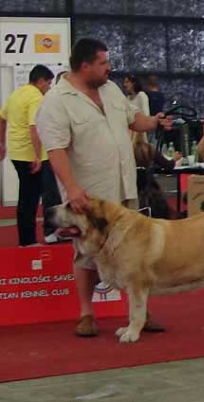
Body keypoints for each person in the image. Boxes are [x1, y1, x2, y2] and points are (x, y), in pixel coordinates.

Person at [36, 38, 173, 337]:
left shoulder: (110, 90)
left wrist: (153, 122)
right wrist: (72, 188)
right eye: (102, 63)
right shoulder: (56, 101)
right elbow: (56, 150)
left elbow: (132, 119)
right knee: (86, 254)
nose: (109, 68)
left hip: (124, 187)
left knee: (133, 253)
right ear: (84, 66)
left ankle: (140, 312)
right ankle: (87, 314)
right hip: (90, 193)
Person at [0, 64, 63, 246]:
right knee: (31, 199)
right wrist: (36, 156)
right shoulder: (35, 97)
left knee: (26, 196)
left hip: (16, 153)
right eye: (49, 83)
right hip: (30, 156)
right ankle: (28, 241)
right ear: (41, 81)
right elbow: (34, 128)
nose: (49, 88)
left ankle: (27, 239)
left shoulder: (16, 94)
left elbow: (2, 118)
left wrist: (2, 143)